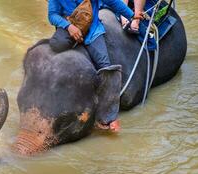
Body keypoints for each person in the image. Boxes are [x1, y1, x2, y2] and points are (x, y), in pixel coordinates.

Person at [48, 0, 142, 132]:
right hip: (69, 29)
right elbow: (52, 15)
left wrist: (131, 15)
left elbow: (113, 2)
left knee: (105, 66)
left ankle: (110, 116)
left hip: (92, 31)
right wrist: (69, 26)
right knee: (55, 47)